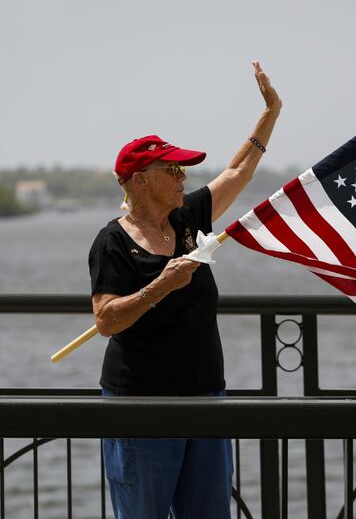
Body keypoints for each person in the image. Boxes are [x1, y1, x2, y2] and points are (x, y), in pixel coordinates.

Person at [88, 61, 280, 519]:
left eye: (182, 170)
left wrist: (271, 111)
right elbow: (105, 320)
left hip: (206, 399)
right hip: (142, 407)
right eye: (171, 170)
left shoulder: (187, 217)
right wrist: (162, 285)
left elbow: (238, 171)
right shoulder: (112, 241)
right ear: (139, 180)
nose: (182, 178)